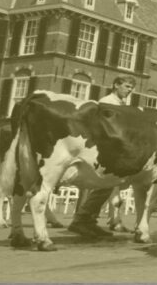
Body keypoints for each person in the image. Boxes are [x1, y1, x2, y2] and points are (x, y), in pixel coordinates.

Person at [68, 75, 135, 238]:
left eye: (131, 87)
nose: (130, 90)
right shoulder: (107, 102)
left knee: (107, 185)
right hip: (103, 151)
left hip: (113, 150)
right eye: (127, 86)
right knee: (103, 184)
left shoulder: (121, 103)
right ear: (116, 85)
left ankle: (87, 220)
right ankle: (83, 219)